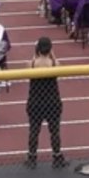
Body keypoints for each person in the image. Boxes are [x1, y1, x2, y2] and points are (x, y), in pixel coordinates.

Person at [25, 37, 67, 169]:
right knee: (54, 131)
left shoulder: (32, 64)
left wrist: (35, 54)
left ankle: (32, 157)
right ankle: (57, 156)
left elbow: (28, 72)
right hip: (52, 101)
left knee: (34, 130)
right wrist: (52, 55)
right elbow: (58, 67)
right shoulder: (53, 64)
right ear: (50, 49)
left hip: (35, 102)